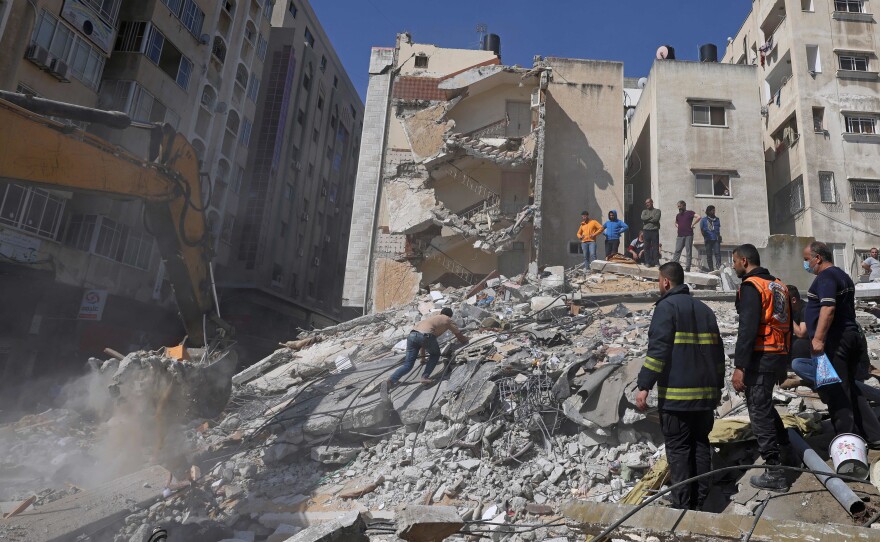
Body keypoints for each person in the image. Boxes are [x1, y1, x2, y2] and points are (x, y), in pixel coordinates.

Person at [635, 262, 724, 511]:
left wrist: (644, 385)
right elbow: (719, 355)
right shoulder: (705, 310)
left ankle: (682, 509)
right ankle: (702, 505)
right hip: (705, 398)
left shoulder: (666, 308)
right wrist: (716, 389)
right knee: (700, 447)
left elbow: (658, 351)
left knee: (679, 452)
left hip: (676, 401)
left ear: (665, 282)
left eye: (658, 281)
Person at [803, 241, 880, 445]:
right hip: (850, 336)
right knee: (851, 390)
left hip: (835, 341)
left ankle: (847, 441)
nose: (806, 264)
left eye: (806, 259)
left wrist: (818, 339)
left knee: (836, 391)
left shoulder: (826, 277)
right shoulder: (842, 275)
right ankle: (873, 435)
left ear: (817, 258)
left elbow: (828, 308)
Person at [732, 243, 792, 491]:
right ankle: (787, 448)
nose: (733, 266)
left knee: (758, 410)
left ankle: (775, 471)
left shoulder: (751, 286)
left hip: (761, 355)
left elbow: (747, 329)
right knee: (765, 404)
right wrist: (784, 363)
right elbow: (787, 322)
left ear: (744, 261)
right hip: (777, 353)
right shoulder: (779, 284)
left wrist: (740, 366)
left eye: (734, 261)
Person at [387, 308, 469, 386]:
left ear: (441, 313)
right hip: (426, 336)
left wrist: (423, 359)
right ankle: (424, 377)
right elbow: (460, 337)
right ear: (450, 315)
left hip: (412, 335)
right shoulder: (448, 319)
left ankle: (391, 380)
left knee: (408, 365)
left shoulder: (431, 319)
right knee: (435, 355)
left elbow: (422, 343)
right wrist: (469, 338)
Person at [673, 201, 701, 272]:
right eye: (678, 206)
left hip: (688, 235)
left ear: (684, 205)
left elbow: (699, 217)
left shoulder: (689, 213)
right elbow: (676, 223)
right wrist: (678, 226)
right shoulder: (678, 215)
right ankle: (674, 266)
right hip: (680, 235)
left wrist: (693, 224)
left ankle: (687, 268)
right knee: (677, 251)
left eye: (680, 206)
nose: (679, 208)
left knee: (688, 251)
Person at [700, 206, 722, 271]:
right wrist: (705, 235)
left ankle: (719, 267)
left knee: (717, 253)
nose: (714, 212)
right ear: (708, 211)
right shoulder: (703, 220)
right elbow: (702, 230)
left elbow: (718, 229)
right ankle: (711, 269)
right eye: (712, 210)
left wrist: (719, 236)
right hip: (708, 239)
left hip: (716, 239)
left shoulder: (717, 219)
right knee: (709, 255)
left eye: (714, 210)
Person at [641, 198, 661, 267]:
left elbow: (656, 219)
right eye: (646, 203)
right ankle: (647, 262)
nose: (647, 204)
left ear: (652, 202)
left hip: (654, 231)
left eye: (648, 202)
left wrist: (647, 220)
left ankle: (656, 262)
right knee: (646, 247)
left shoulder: (657, 211)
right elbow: (642, 218)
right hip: (646, 231)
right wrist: (651, 217)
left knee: (655, 247)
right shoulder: (644, 211)